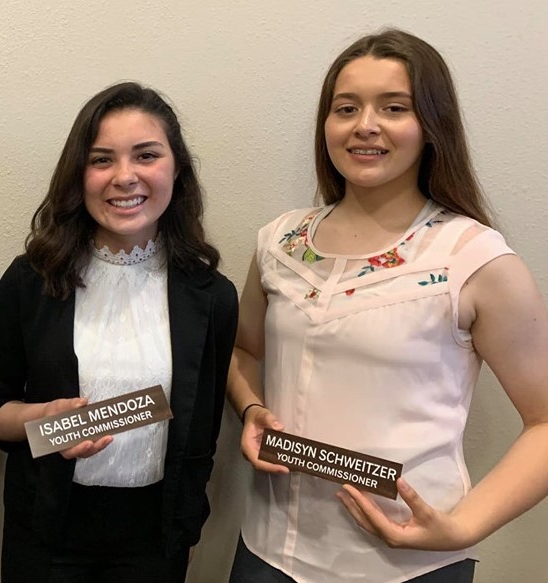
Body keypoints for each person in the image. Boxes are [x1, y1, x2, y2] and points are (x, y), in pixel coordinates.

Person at [226, 29, 548, 583]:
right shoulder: (279, 242)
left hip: (408, 564)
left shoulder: (474, 258)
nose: (365, 125)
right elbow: (245, 350)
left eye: (393, 107)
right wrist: (252, 411)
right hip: (268, 552)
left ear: (430, 126)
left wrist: (465, 527)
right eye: (346, 108)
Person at [0, 81, 239, 583]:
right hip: (46, 534)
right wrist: (44, 420)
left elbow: (201, 432)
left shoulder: (213, 296)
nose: (124, 177)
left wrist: (186, 529)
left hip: (155, 541)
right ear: (79, 175)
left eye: (146, 155)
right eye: (101, 160)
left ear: (176, 169)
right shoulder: (31, 280)